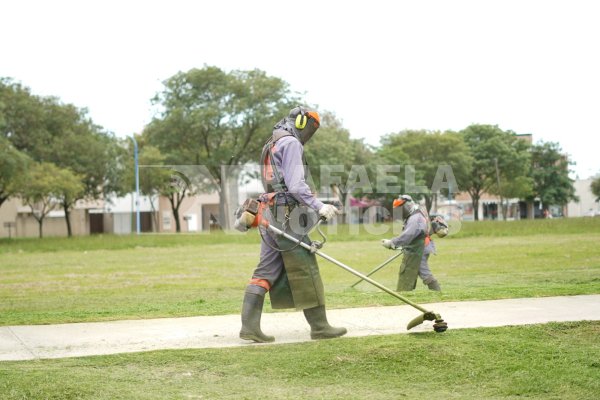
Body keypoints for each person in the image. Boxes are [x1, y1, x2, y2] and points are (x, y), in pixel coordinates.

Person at [239, 106, 346, 343]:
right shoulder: (291, 144)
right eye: (311, 127)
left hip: (269, 212)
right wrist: (319, 206)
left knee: (266, 270)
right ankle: (320, 327)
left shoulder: (272, 143)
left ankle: (249, 327)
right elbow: (296, 186)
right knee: (305, 265)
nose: (310, 133)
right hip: (286, 215)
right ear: (300, 122)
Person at [381, 195, 446, 291]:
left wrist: (392, 243)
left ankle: (437, 292)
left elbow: (408, 235)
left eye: (400, 209)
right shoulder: (416, 213)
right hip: (418, 246)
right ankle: (408, 292)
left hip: (421, 248)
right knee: (413, 269)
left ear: (407, 206)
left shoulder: (415, 218)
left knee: (423, 271)